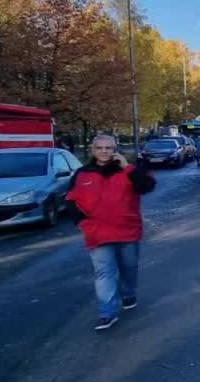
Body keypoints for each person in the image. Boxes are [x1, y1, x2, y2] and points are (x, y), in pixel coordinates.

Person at [65, 134, 156, 331]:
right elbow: (71, 201)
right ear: (93, 150)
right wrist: (83, 223)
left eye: (109, 148)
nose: (104, 151)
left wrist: (127, 167)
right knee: (104, 272)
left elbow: (147, 186)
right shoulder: (82, 174)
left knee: (129, 267)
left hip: (127, 230)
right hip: (97, 234)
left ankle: (128, 293)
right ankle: (107, 313)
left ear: (115, 149)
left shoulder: (130, 170)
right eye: (100, 148)